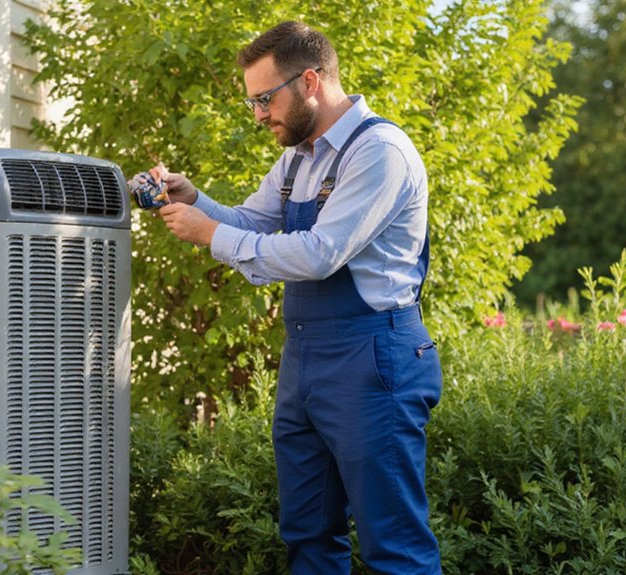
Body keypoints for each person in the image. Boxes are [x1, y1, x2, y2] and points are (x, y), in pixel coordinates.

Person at [152, 20, 443, 575]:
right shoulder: (298, 158)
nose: (259, 114)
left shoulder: (379, 152)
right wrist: (200, 202)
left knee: (395, 546)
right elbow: (252, 222)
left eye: (265, 99)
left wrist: (209, 233)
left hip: (374, 359)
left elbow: (318, 254)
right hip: (306, 356)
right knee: (308, 535)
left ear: (310, 81)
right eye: (253, 103)